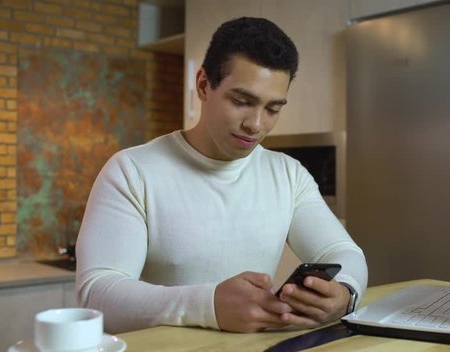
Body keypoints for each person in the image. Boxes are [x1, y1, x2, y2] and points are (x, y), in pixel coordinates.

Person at [75, 16, 368, 334]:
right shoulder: (131, 172)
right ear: (203, 85)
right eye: (242, 101)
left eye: (273, 109)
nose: (256, 125)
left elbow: (344, 253)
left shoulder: (287, 174)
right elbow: (97, 295)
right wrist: (208, 305)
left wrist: (345, 292)